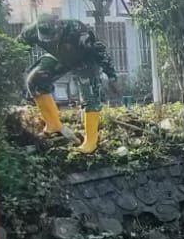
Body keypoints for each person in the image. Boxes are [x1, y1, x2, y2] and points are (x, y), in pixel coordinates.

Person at [21, 17, 117, 154]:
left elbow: (99, 50)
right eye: (47, 38)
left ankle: (90, 142)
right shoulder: (32, 31)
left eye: (54, 37)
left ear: (59, 27)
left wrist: (111, 75)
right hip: (59, 56)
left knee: (90, 97)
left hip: (83, 59)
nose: (51, 40)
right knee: (35, 81)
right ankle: (53, 124)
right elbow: (17, 49)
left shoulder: (77, 30)